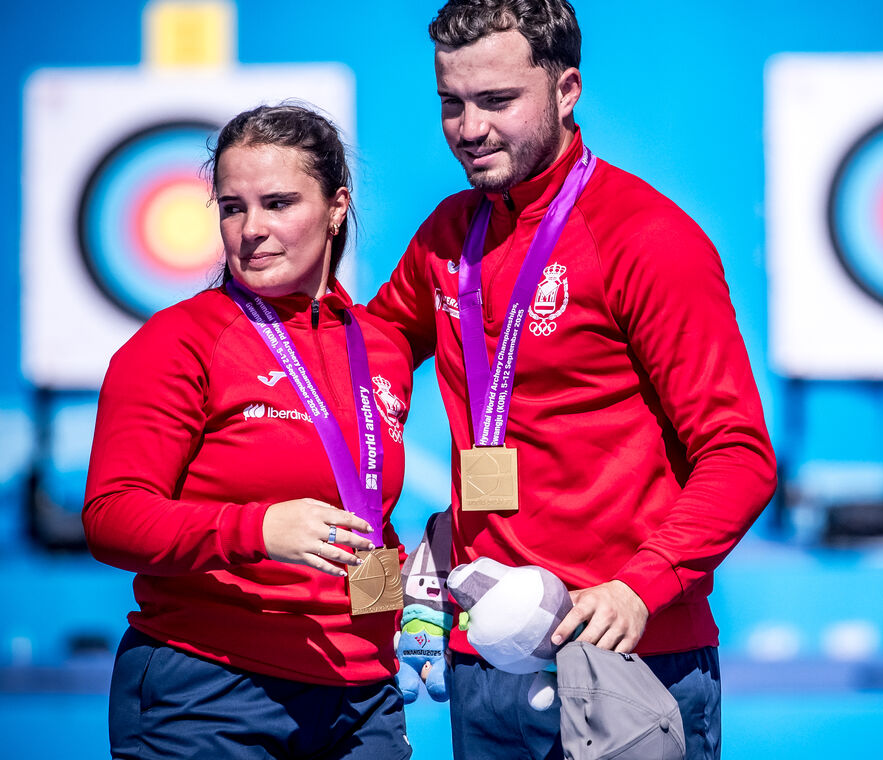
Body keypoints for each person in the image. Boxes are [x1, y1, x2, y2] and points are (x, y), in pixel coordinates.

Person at [367, 2, 778, 758]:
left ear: (567, 91)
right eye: (452, 103)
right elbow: (377, 341)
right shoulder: (449, 234)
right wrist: (377, 439)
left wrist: (642, 585)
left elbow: (740, 454)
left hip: (625, 654)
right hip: (482, 661)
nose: (469, 128)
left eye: (497, 100)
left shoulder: (647, 238)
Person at [83, 104, 414, 759]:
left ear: (337, 207)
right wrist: (257, 530)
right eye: (233, 207)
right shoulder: (179, 341)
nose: (251, 229)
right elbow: (111, 516)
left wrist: (407, 591)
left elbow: (363, 510)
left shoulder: (380, 347)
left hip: (362, 693)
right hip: (211, 690)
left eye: (278, 203)